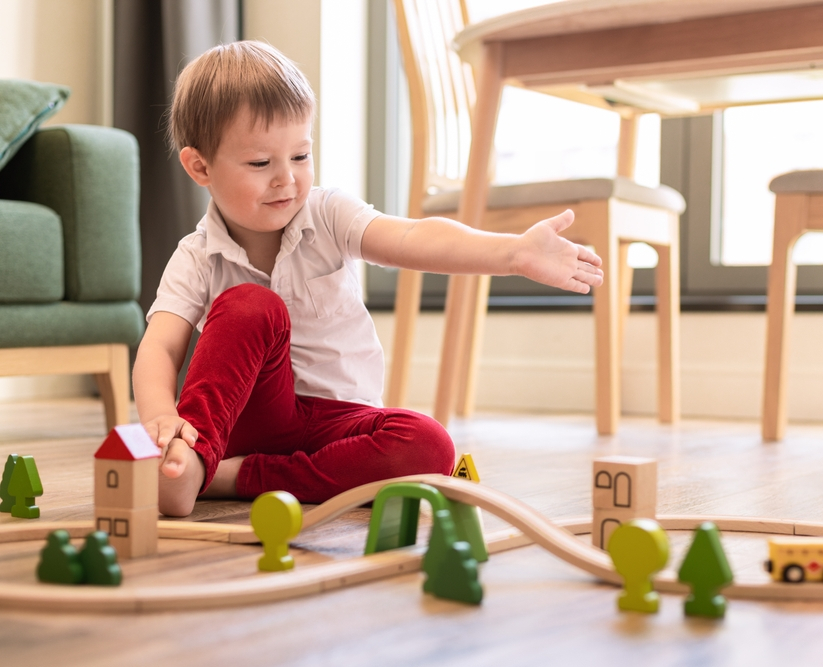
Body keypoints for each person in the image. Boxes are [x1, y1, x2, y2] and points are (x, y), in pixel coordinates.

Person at [133, 41, 603, 517]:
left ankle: (228, 477)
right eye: (260, 164)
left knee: (429, 445)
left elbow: (415, 236)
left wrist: (513, 252)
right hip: (245, 421)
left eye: (300, 156)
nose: (287, 179)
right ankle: (189, 459)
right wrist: (161, 419)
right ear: (200, 167)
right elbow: (160, 347)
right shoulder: (196, 256)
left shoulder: (329, 212)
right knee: (250, 304)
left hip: (340, 420)